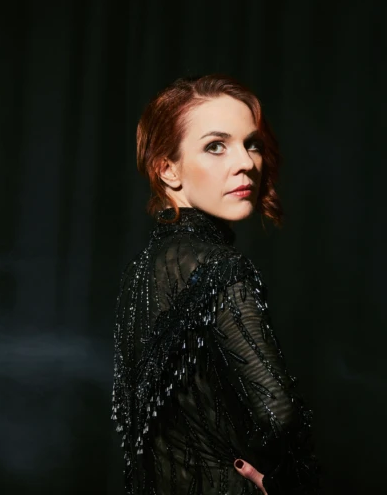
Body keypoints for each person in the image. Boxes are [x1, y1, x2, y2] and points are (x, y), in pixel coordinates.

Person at [111, 74, 321, 494]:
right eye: (216, 146)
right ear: (168, 169)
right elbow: (278, 414)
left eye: (252, 144)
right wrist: (284, 483)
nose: (246, 162)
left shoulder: (142, 269)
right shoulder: (219, 266)